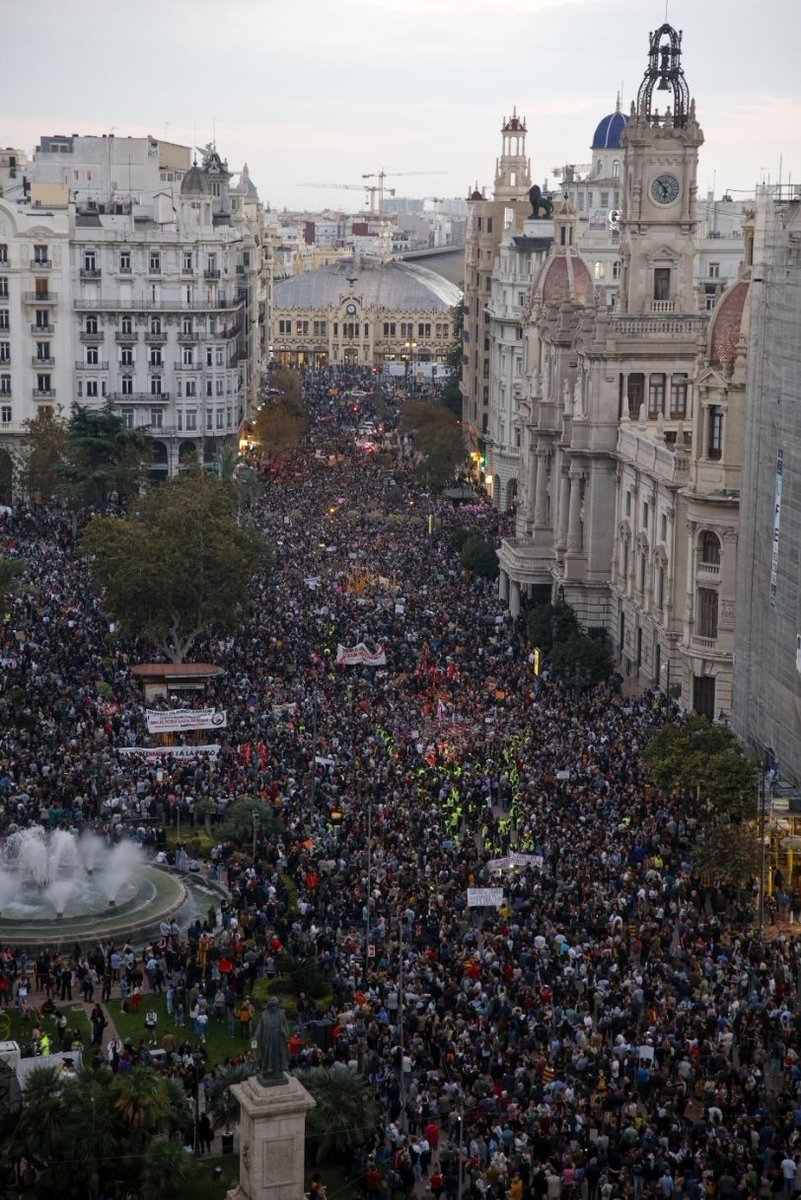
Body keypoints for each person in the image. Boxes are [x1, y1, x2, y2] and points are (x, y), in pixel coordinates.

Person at [255, 996, 289, 1082]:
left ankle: (277, 1073)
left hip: (278, 1039)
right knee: (268, 1054)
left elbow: (285, 1024)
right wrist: (256, 1037)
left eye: (276, 1005)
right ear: (269, 1006)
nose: (274, 1007)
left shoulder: (281, 1013)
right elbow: (260, 1026)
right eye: (272, 1005)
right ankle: (267, 1072)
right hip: (268, 1039)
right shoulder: (265, 1015)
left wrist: (285, 1032)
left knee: (278, 1055)